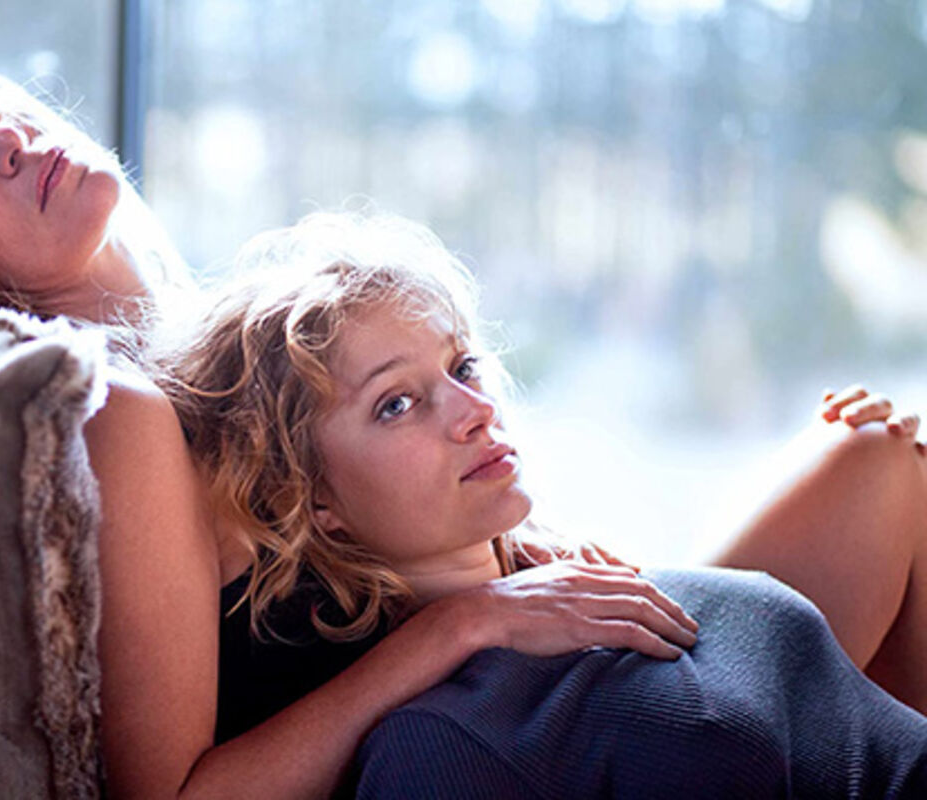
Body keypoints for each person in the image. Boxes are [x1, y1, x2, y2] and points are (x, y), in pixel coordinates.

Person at [0, 59, 924, 798]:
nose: (0, 140)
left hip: (535, 693)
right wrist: (467, 621)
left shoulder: (179, 329)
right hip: (495, 741)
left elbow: (386, 530)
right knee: (872, 513)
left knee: (877, 464)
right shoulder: (121, 417)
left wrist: (525, 552)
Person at [159, 210, 927, 792]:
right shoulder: (426, 734)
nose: (475, 410)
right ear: (310, 497)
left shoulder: (563, 577)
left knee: (879, 452)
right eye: (396, 403)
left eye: (463, 366)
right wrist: (464, 623)